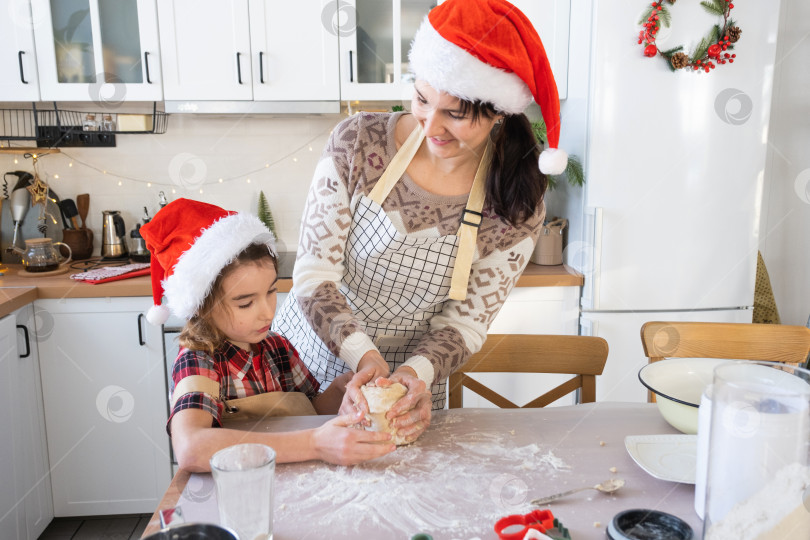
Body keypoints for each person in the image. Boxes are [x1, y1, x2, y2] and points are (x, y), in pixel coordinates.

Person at [273, 0, 567, 442]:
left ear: (498, 111)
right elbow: (315, 276)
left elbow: (464, 323)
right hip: (309, 361)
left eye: (455, 113)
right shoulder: (358, 142)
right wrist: (365, 357)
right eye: (423, 100)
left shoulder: (516, 202)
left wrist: (413, 374)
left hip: (413, 384)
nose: (432, 125)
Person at [140, 198, 395, 472]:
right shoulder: (199, 360)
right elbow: (192, 448)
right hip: (239, 491)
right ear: (203, 306)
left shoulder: (276, 348)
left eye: (271, 292)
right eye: (245, 303)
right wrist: (314, 444)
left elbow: (312, 412)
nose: (267, 313)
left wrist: (344, 387)